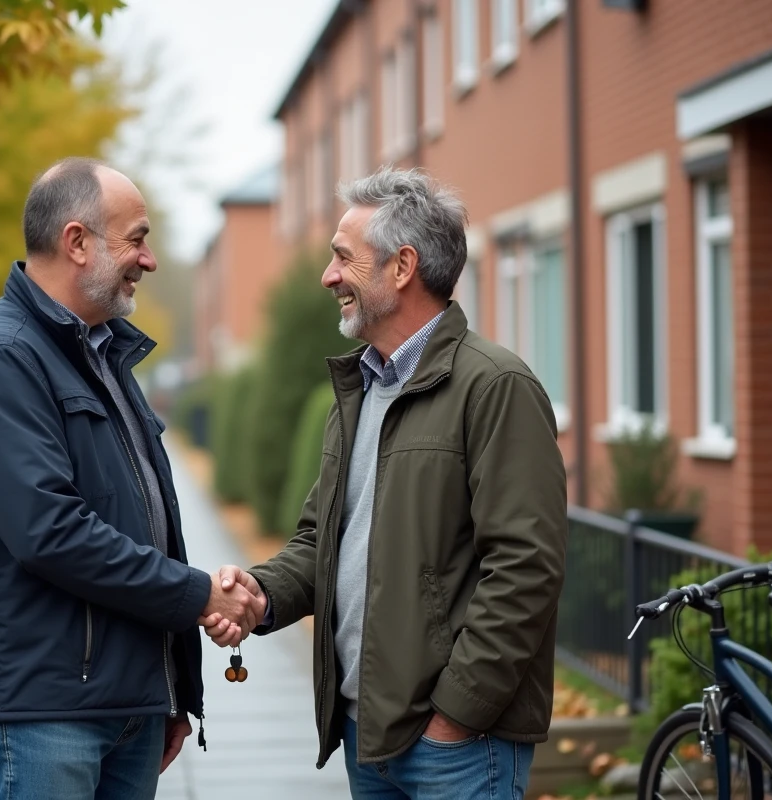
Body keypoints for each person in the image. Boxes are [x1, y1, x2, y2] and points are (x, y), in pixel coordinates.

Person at [202, 166, 568, 799]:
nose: (329, 276)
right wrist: (259, 594)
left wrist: (457, 713)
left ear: (402, 267)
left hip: (456, 746)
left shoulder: (495, 386)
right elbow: (325, 538)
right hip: (366, 733)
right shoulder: (362, 388)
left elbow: (526, 567)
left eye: (344, 258)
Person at [0, 157, 260, 799]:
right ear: (77, 242)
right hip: (45, 713)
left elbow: (141, 520)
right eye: (136, 238)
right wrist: (199, 596)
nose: (150, 258)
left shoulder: (101, 354)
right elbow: (51, 532)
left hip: (126, 704)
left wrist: (168, 688)